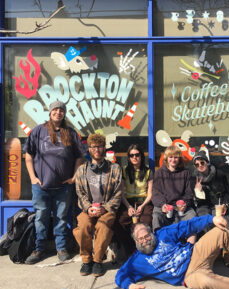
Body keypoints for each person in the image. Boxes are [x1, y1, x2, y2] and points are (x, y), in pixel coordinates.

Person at [115, 216, 229, 289]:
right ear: (135, 241)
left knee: (221, 231)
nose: (145, 240)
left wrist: (212, 218)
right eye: (140, 239)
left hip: (196, 254)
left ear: (151, 232)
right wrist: (130, 285)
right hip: (188, 276)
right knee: (206, 281)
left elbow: (188, 225)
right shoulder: (137, 261)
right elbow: (120, 275)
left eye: (147, 236)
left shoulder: (163, 234)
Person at [24, 101, 86, 264]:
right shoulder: (38, 131)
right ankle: (39, 249)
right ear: (50, 112)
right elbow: (28, 155)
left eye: (61, 110)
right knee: (40, 218)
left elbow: (80, 156)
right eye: (55, 110)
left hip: (63, 187)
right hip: (41, 186)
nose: (58, 112)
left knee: (61, 218)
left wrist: (73, 177)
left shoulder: (71, 133)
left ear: (64, 113)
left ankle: (61, 248)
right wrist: (32, 177)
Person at [73, 133, 122, 277]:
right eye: (93, 147)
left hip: (107, 209)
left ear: (104, 148)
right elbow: (80, 193)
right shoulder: (82, 170)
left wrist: (104, 208)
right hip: (88, 209)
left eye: (100, 146)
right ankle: (87, 260)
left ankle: (98, 261)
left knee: (103, 226)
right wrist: (89, 208)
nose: (97, 150)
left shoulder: (115, 168)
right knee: (82, 225)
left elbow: (118, 193)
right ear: (89, 149)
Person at [191, 150, 229, 267]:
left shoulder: (219, 174)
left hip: (218, 203)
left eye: (202, 163)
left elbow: (227, 193)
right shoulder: (194, 178)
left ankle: (227, 252)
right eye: (197, 164)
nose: (200, 166)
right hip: (204, 205)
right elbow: (195, 200)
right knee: (204, 221)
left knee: (225, 222)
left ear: (207, 162)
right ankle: (211, 252)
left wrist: (225, 205)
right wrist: (198, 191)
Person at [114, 144, 153, 258]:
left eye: (137, 155)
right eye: (131, 155)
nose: (134, 157)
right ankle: (129, 249)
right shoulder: (124, 171)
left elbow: (150, 193)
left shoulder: (148, 171)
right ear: (129, 157)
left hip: (143, 201)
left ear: (141, 156)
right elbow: (121, 192)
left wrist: (142, 206)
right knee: (121, 221)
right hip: (128, 202)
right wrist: (128, 207)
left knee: (146, 221)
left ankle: (145, 250)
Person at [151, 145, 196, 243]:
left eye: (176, 157)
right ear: (166, 158)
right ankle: (161, 247)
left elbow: (189, 193)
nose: (173, 159)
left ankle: (189, 250)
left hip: (181, 207)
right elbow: (156, 193)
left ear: (179, 159)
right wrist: (163, 205)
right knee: (156, 217)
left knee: (192, 217)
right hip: (165, 206)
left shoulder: (185, 173)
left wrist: (185, 203)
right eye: (171, 157)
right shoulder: (159, 173)